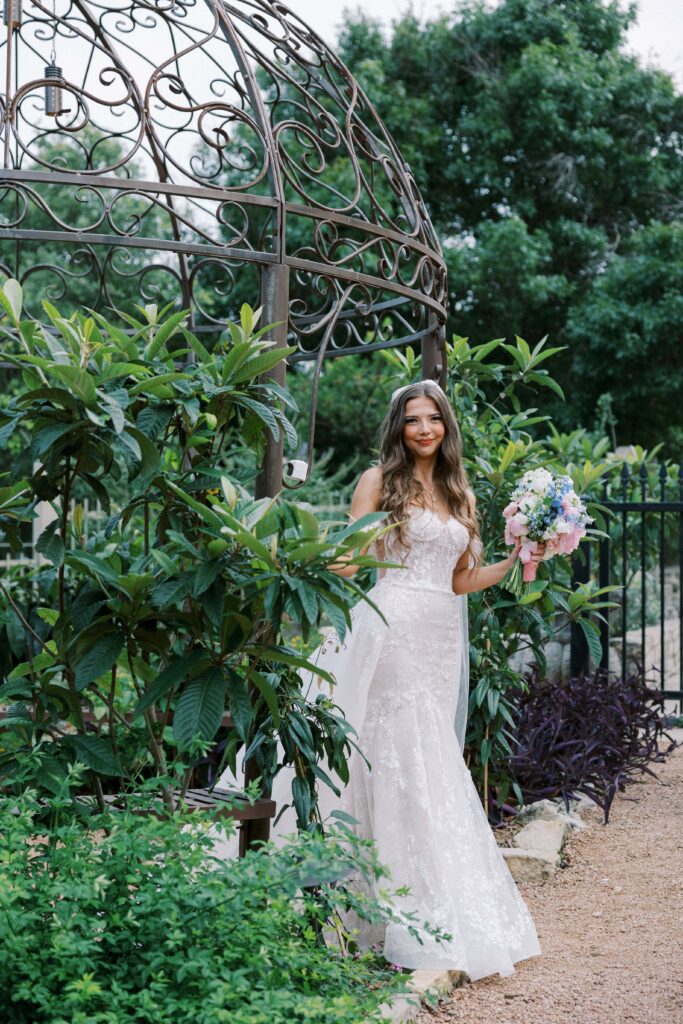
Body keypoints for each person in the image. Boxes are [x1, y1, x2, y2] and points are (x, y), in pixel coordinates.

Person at [219, 379, 542, 981]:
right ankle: (391, 908)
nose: (424, 429)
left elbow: (460, 581)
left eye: (434, 419)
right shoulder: (378, 481)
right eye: (413, 420)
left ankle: (415, 899)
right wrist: (302, 559)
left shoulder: (460, 492)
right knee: (398, 746)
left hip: (441, 635)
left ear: (447, 426)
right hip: (391, 623)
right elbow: (350, 556)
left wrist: (522, 559)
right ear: (398, 427)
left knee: (428, 751)